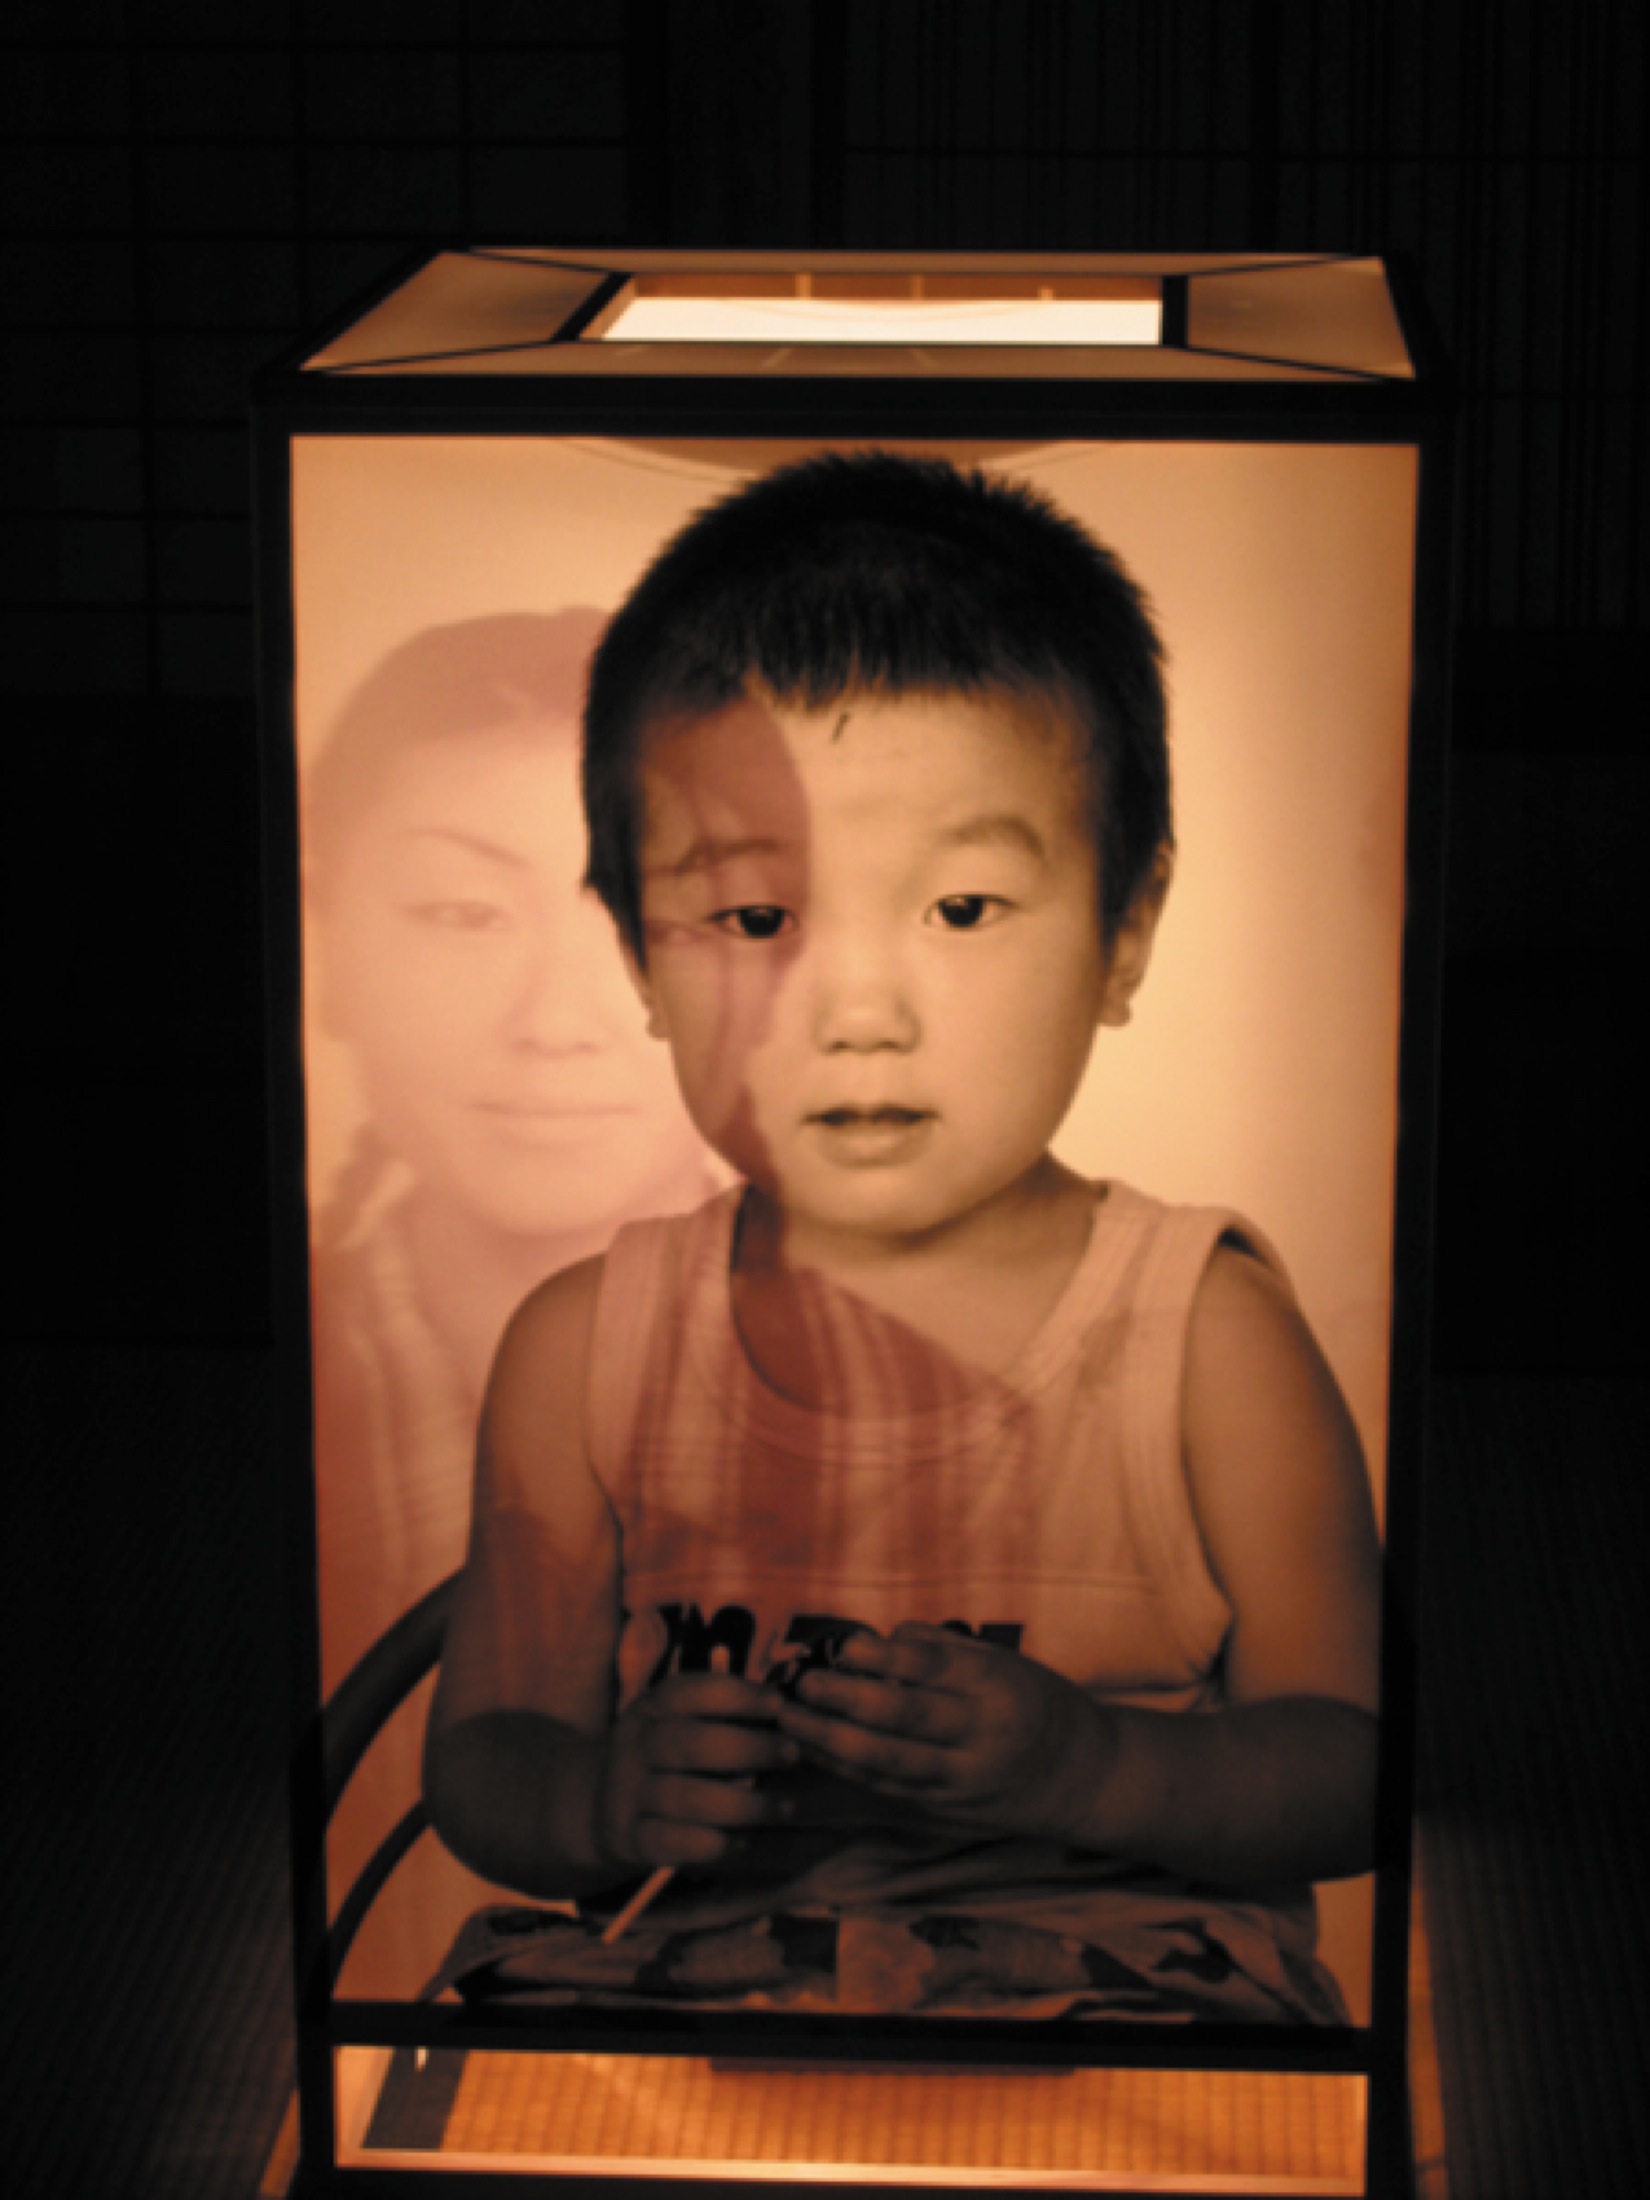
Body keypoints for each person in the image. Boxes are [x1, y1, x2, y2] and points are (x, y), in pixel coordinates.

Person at [423, 455, 1383, 2023]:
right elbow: (487, 1756)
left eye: (960, 910)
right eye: (756, 919)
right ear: (641, 959)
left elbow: (1354, 1767)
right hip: (698, 2009)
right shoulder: (583, 1348)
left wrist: (1091, 1765)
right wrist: (599, 1802)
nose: (859, 1014)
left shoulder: (1203, 1340)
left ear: (1124, 931)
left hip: (1117, 2014)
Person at [304, 612, 716, 1993]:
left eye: (638, 916)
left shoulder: (910, 1364)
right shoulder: (248, 1401)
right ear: (323, 937)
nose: (556, 1019)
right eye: (463, 913)